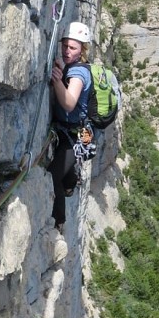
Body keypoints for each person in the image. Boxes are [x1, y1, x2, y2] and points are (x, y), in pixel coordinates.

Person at [47, 21, 93, 232]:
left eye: (72, 48)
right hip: (77, 132)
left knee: (52, 174)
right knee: (64, 168)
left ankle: (59, 222)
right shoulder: (73, 68)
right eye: (65, 45)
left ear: (82, 50)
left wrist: (57, 82)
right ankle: (71, 180)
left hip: (74, 135)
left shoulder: (79, 74)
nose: (67, 51)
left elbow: (69, 102)